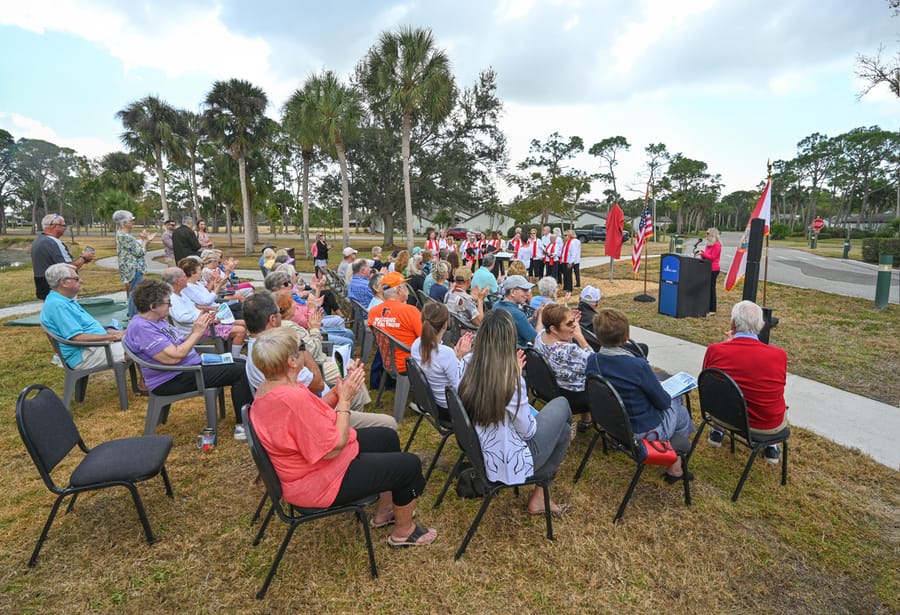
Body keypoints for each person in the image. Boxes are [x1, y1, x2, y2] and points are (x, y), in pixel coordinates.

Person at [250, 327, 436, 546]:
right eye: (302, 348)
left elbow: (314, 412)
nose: (306, 351)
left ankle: (385, 511)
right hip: (320, 481)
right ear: (292, 361)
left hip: (314, 470)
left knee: (386, 437)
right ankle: (404, 533)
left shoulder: (272, 388)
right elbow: (334, 447)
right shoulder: (291, 399)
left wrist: (340, 391)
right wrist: (345, 402)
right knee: (410, 465)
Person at [458, 309, 571, 515]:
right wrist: (518, 383)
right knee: (563, 406)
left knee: (562, 430)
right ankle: (540, 495)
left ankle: (540, 496)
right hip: (508, 460)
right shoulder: (511, 380)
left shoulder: (466, 362)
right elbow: (528, 432)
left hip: (478, 448)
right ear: (510, 339)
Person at [124, 278, 253, 440]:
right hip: (174, 378)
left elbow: (179, 344)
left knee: (241, 363)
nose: (170, 306)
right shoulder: (143, 328)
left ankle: (249, 414)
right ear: (153, 307)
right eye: (167, 303)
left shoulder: (155, 321)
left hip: (187, 369)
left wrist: (199, 327)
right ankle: (242, 427)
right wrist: (197, 333)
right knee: (240, 371)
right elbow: (174, 357)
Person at [585, 308, 694, 483]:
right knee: (679, 408)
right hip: (642, 432)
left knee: (676, 409)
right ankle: (675, 465)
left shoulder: (593, 360)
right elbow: (664, 402)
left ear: (598, 337)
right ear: (627, 336)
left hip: (611, 423)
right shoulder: (638, 366)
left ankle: (674, 457)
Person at [702, 300, 787, 464]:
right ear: (761, 325)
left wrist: (727, 346)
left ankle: (716, 432)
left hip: (722, 416)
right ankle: (772, 447)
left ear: (733, 323)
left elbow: (708, 381)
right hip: (765, 425)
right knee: (775, 396)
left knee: (723, 388)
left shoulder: (715, 350)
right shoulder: (779, 355)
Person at [40, 263, 126, 369]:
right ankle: (145, 384)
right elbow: (77, 337)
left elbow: (83, 328)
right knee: (141, 347)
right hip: (85, 355)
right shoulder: (58, 305)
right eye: (76, 279)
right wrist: (113, 337)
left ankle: (145, 382)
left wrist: (109, 332)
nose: (81, 281)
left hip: (93, 348)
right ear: (63, 282)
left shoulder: (62, 299)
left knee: (140, 341)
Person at [532, 303, 594, 430]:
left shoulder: (541, 336)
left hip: (548, 389)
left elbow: (539, 328)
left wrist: (569, 324)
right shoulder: (570, 351)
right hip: (572, 397)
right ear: (554, 329)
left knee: (579, 375)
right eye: (569, 324)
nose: (574, 326)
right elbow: (595, 363)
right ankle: (588, 420)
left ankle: (586, 420)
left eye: (574, 322)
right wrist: (580, 336)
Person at [162, 266, 246, 358]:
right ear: (177, 281)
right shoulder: (173, 299)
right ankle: (235, 357)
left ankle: (231, 352)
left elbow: (195, 307)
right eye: (184, 276)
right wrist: (207, 317)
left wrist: (209, 311)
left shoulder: (180, 293)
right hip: (197, 330)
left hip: (206, 323)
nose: (187, 278)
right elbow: (181, 317)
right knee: (240, 331)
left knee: (243, 323)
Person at [410, 303, 473, 422]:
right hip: (450, 409)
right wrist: (461, 357)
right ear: (445, 325)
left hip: (432, 403)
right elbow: (459, 386)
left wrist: (458, 358)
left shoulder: (416, 344)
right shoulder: (445, 353)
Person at [367, 272, 422, 374]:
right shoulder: (411, 311)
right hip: (409, 363)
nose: (408, 290)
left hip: (387, 361)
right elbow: (425, 339)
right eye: (405, 287)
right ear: (399, 290)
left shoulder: (373, 312)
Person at [32, 213, 95, 300]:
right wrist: (84, 258)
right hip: (60, 289)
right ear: (54, 225)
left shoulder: (38, 240)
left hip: (43, 286)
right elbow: (69, 268)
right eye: (63, 225)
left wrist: (83, 258)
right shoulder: (54, 242)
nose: (65, 228)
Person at [113, 210, 155, 317]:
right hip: (133, 269)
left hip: (132, 267)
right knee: (135, 292)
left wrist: (145, 241)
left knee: (134, 291)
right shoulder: (124, 236)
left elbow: (136, 248)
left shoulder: (124, 234)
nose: (133, 222)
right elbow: (140, 252)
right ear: (124, 222)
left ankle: (133, 314)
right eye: (131, 220)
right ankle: (133, 315)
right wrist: (145, 240)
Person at [493, 275, 543, 347]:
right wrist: (540, 317)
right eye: (525, 290)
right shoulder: (518, 314)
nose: (528, 294)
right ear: (513, 292)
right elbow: (537, 341)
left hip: (500, 349)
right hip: (517, 353)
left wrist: (532, 319)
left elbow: (514, 324)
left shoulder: (496, 305)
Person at [698, 227, 722, 315]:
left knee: (712, 289)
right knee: (707, 288)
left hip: (714, 269)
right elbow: (707, 255)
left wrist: (703, 254)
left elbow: (713, 257)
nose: (706, 236)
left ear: (712, 235)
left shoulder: (717, 245)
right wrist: (702, 254)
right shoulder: (708, 244)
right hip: (707, 268)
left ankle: (712, 309)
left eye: (707, 234)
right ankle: (706, 306)